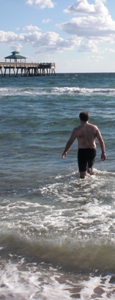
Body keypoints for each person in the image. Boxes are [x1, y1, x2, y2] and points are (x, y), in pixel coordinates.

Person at [62, 111, 106, 179]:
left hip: (82, 152)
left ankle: (84, 187)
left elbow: (70, 142)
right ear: (88, 118)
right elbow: (101, 141)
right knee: (90, 169)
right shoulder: (94, 128)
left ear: (80, 119)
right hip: (92, 151)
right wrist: (103, 152)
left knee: (82, 175)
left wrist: (65, 151)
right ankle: (93, 183)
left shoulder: (77, 129)